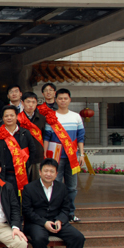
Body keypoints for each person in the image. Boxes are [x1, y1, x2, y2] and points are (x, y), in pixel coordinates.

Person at [22, 158, 86, 248]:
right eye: (46, 171)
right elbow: (27, 211)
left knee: (78, 237)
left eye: (52, 171)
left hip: (56, 221)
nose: (48, 174)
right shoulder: (29, 188)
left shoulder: (62, 187)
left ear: (56, 174)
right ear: (40, 172)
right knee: (39, 238)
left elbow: (66, 208)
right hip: (37, 223)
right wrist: (44, 223)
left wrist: (60, 220)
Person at [42, 88, 85, 222]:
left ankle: (70, 213)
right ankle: (56, 213)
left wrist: (82, 154)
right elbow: (47, 137)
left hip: (72, 157)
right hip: (56, 157)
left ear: (70, 100)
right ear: (56, 100)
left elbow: (81, 137)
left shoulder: (76, 116)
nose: (63, 101)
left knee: (72, 187)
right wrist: (45, 154)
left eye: (65, 98)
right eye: (60, 98)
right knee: (55, 185)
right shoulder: (52, 117)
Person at [0, 105, 36, 191]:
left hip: (21, 173)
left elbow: (32, 150)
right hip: (4, 174)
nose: (9, 118)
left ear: (17, 117)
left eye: (12, 115)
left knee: (21, 197)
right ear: (2, 118)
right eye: (6, 116)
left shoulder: (24, 133)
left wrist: (26, 164)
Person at [19, 92, 46, 181]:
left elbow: (45, 137)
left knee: (37, 182)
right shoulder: (17, 119)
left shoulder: (42, 119)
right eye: (28, 102)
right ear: (22, 103)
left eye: (33, 102)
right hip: (22, 156)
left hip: (38, 156)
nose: (31, 105)